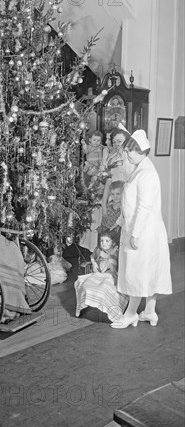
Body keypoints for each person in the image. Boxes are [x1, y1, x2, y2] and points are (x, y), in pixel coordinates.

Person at [111, 129, 172, 329]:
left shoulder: (146, 173)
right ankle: (149, 311)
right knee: (147, 271)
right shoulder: (140, 168)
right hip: (140, 228)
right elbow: (130, 204)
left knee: (137, 272)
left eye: (130, 152)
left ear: (140, 151)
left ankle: (130, 314)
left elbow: (143, 207)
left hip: (143, 231)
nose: (127, 155)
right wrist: (120, 222)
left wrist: (135, 234)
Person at [75, 230, 128, 322]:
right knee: (86, 284)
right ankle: (85, 304)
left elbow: (120, 265)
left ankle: (111, 309)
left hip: (110, 274)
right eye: (102, 240)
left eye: (107, 241)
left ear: (113, 242)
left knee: (105, 287)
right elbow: (92, 257)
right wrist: (94, 263)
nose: (104, 243)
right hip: (98, 273)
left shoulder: (116, 251)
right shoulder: (98, 249)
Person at [101, 126, 134, 215]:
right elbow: (109, 181)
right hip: (114, 201)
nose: (116, 144)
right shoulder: (114, 159)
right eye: (114, 142)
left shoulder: (130, 160)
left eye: (119, 141)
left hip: (126, 203)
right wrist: (104, 204)